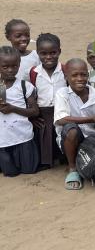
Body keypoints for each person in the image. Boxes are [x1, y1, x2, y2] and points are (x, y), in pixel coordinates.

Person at [54, 58, 95, 190]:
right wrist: (92, 119)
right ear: (66, 76)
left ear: (88, 75)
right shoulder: (62, 94)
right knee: (71, 129)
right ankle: (72, 169)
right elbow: (61, 119)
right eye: (74, 75)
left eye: (83, 74)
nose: (79, 78)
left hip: (92, 137)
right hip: (71, 140)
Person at [0, 46, 40, 177]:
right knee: (10, 173)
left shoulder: (24, 86)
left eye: (14, 66)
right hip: (3, 140)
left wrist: (13, 108)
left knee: (29, 170)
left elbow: (35, 111)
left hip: (23, 137)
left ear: (19, 65)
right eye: (5, 67)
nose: (10, 70)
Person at [29, 33, 67, 169]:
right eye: (43, 53)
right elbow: (31, 94)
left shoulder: (65, 70)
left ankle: (63, 157)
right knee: (44, 135)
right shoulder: (34, 73)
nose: (48, 57)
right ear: (38, 53)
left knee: (61, 133)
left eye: (53, 53)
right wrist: (32, 117)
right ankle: (47, 161)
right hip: (43, 112)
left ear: (59, 51)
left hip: (61, 111)